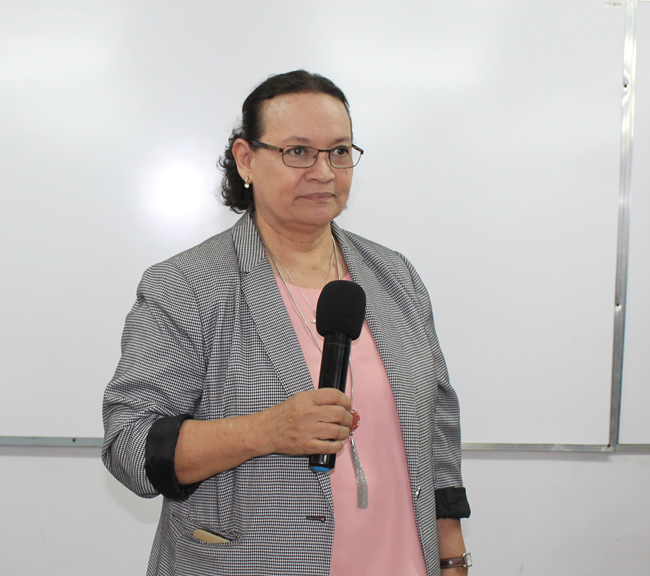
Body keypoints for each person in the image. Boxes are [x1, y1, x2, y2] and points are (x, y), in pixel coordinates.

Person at [102, 70, 471, 576]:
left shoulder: (394, 276)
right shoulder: (186, 284)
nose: (323, 171)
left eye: (339, 151)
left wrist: (451, 553)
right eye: (298, 151)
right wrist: (269, 429)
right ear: (246, 159)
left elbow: (437, 423)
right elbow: (130, 448)